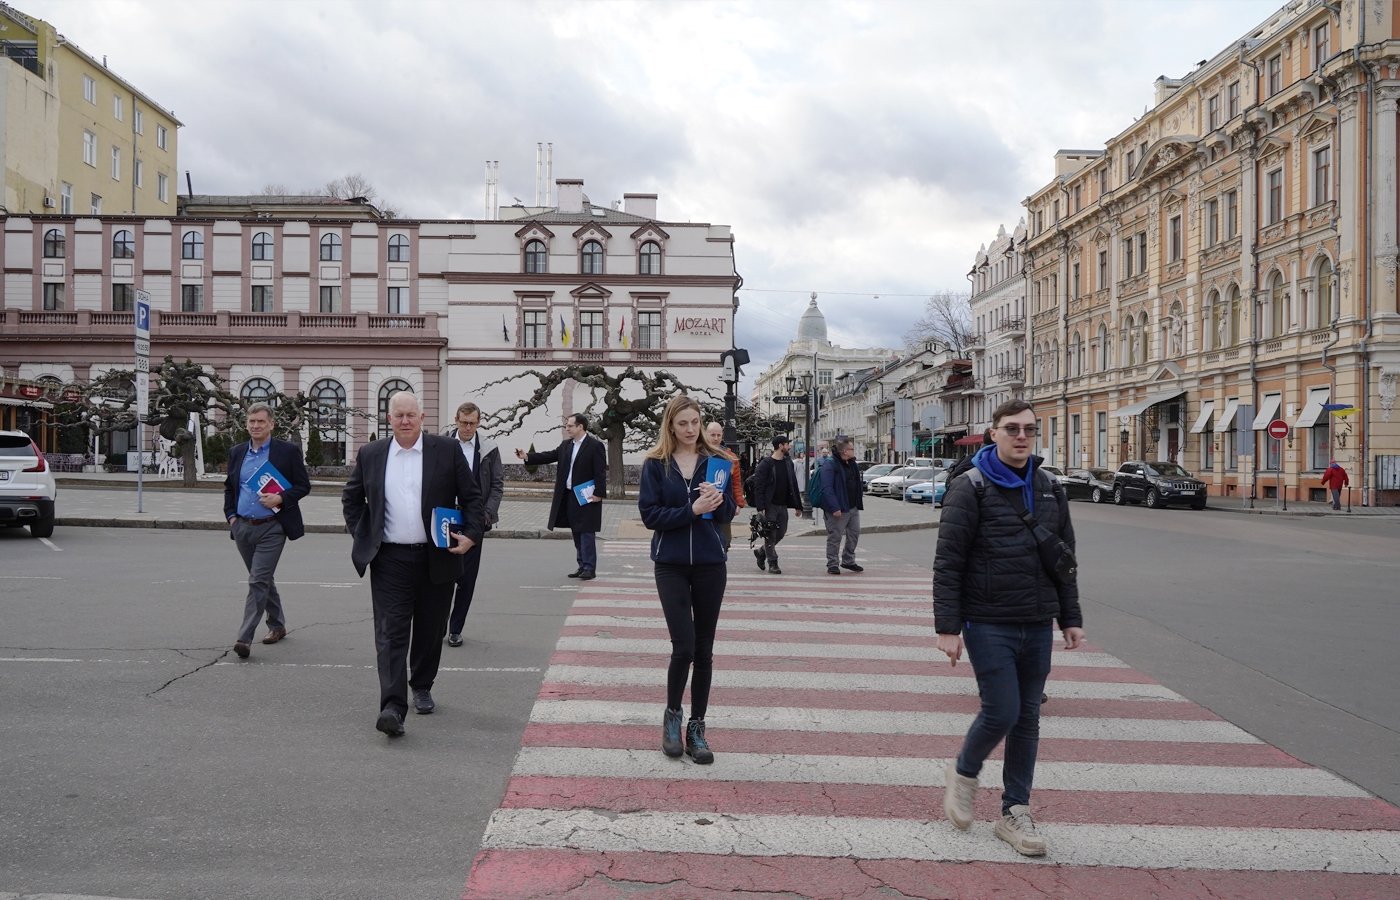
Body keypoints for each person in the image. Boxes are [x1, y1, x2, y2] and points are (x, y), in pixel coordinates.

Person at [934, 398, 1085, 857]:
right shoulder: (970, 487)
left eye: (1030, 430)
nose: (1022, 437)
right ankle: (964, 772)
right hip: (987, 620)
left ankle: (1014, 811)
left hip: (1036, 620)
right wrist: (948, 627)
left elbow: (1064, 559)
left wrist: (1070, 618)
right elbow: (948, 562)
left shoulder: (1049, 488)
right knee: (1002, 710)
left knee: (1029, 718)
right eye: (1012, 429)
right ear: (993, 433)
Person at [342, 391, 484, 738]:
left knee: (430, 628)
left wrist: (471, 533)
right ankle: (392, 707)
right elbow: (352, 497)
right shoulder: (372, 454)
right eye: (398, 415)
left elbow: (471, 497)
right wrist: (365, 536)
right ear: (388, 419)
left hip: (436, 554)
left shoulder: (446, 451)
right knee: (390, 633)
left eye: (411, 415)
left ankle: (421, 684)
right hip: (389, 559)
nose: (405, 421)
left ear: (422, 418)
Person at [638, 395, 736, 764]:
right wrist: (691, 510)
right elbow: (650, 515)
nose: (691, 430)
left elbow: (728, 511)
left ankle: (697, 727)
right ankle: (671, 720)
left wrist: (718, 500)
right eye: (683, 424)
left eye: (695, 422)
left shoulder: (717, 462)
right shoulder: (655, 465)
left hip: (711, 563)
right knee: (684, 646)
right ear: (670, 426)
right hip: (671, 563)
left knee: (705, 650)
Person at [222, 402, 312, 660]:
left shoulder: (287, 452)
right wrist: (231, 517)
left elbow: (303, 486)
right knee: (261, 578)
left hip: (272, 527)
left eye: (261, 421)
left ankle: (244, 637)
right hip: (242, 527)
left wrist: (281, 498)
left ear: (271, 424)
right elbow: (230, 487)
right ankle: (277, 624)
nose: (256, 426)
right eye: (252, 422)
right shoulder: (237, 452)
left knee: (258, 580)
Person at [516, 413, 607, 580]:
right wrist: (527, 457)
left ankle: (589, 567)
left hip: (587, 495)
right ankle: (581, 565)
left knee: (587, 532)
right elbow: (549, 456)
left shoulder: (595, 446)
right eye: (567, 426)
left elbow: (600, 471)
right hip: (569, 495)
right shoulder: (566, 445)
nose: (567, 428)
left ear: (581, 427)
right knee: (576, 532)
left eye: (570, 426)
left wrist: (599, 493)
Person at [446, 401, 505, 648]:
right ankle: (437, 625)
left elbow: (497, 486)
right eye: (463, 422)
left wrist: (486, 515)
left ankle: (456, 629)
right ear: (456, 420)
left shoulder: (489, 449)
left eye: (472, 423)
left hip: (474, 520)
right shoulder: (442, 445)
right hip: (447, 517)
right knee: (442, 576)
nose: (467, 427)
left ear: (479, 422)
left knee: (467, 579)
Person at [750, 435, 803, 575]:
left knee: (781, 532)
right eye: (787, 444)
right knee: (770, 535)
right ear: (780, 446)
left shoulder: (788, 462)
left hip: (782, 505)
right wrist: (760, 507)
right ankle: (773, 563)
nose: (789, 447)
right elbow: (759, 487)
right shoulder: (766, 464)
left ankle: (761, 552)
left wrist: (798, 505)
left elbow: (793, 484)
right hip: (770, 505)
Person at [819, 437, 864, 575]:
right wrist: (834, 507)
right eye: (851, 449)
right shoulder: (830, 464)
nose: (853, 451)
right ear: (845, 451)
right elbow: (827, 488)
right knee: (835, 536)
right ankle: (832, 563)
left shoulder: (852, 463)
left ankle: (848, 560)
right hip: (838, 508)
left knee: (854, 534)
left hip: (852, 507)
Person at [704, 420, 745, 551]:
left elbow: (736, 482)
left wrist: (738, 503)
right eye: (712, 435)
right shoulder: (699, 453)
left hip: (723, 502)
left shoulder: (730, 457)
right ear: (706, 434)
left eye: (718, 435)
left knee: (724, 539)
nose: (716, 438)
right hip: (702, 501)